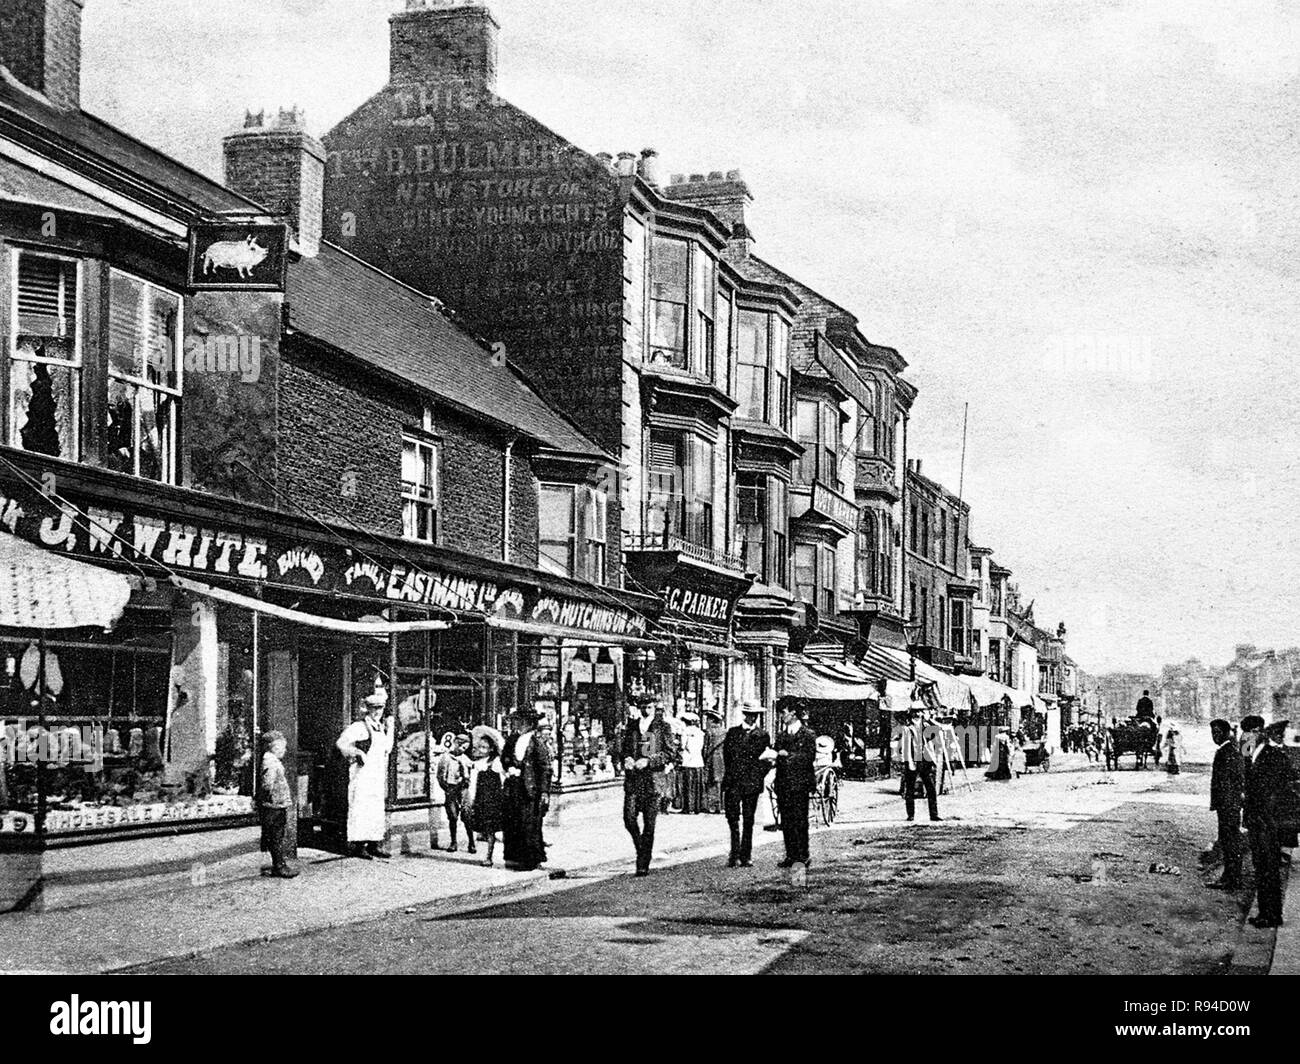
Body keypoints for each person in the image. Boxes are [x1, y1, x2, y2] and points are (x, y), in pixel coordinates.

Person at [1244, 720, 1296, 928]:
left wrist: (1266, 817)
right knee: (1261, 868)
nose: (1247, 735)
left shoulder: (1273, 756)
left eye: (1252, 731)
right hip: (1258, 821)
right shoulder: (1253, 753)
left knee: (1268, 869)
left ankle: (1271, 914)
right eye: (1246, 731)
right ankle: (1266, 912)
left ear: (1261, 733)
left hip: (1267, 823)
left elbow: (1275, 792)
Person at [620, 700, 677, 875]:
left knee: (649, 824)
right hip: (634, 780)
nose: (646, 710)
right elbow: (624, 749)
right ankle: (642, 850)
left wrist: (649, 761)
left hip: (653, 781)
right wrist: (627, 758)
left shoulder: (662, 727)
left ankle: (643, 863)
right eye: (643, 707)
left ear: (654, 708)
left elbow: (670, 753)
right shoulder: (633, 726)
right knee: (629, 818)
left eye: (649, 707)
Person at [336, 691, 394, 860]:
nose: (377, 712)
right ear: (367, 709)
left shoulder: (381, 727)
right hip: (362, 775)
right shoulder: (359, 727)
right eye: (373, 708)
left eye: (380, 708)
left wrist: (391, 728)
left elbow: (387, 748)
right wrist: (356, 752)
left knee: (376, 809)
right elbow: (341, 743)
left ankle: (374, 844)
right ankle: (359, 846)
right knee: (362, 808)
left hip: (377, 775)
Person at [722, 703, 772, 868]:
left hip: (752, 783)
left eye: (756, 714)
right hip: (734, 782)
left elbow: (767, 760)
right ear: (745, 714)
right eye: (751, 714)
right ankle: (734, 853)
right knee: (733, 818)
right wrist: (731, 774)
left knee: (748, 819)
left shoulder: (763, 735)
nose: (753, 717)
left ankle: (746, 855)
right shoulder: (733, 733)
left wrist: (758, 775)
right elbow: (727, 756)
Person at [501, 709, 549, 871]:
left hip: (530, 788)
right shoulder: (512, 740)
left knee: (528, 823)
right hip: (513, 786)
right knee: (512, 821)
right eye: (516, 721)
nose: (517, 724)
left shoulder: (536, 742)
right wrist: (509, 767)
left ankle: (530, 860)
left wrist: (544, 791)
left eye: (520, 721)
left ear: (528, 724)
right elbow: (504, 757)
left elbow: (544, 768)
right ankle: (513, 858)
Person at [774, 704, 817, 868]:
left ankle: (803, 855)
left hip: (800, 784)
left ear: (793, 713)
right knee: (786, 820)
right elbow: (777, 754)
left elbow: (809, 757)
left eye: (783, 712)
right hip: (783, 783)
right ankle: (791, 855)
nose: (781, 716)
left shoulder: (808, 734)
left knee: (800, 820)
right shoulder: (781, 735)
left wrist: (788, 756)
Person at [1207, 719, 1244, 891]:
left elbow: (1234, 780)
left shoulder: (1227, 752)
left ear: (1226, 733)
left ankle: (1232, 878)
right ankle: (1230, 877)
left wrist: (1226, 802)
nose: (1215, 736)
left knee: (1230, 841)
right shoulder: (1227, 750)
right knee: (1228, 841)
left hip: (1228, 804)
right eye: (1213, 733)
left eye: (1218, 733)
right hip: (1227, 804)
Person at [259, 731, 298, 879]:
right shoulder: (270, 762)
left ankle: (279, 864)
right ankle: (279, 866)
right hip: (274, 805)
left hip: (275, 804)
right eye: (282, 747)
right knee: (276, 836)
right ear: (275, 747)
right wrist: (272, 798)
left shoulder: (271, 760)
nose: (285, 750)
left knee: (276, 836)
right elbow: (267, 784)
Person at [468, 727, 505, 867]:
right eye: (479, 747)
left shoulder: (496, 763)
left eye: (484, 747)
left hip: (494, 800)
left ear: (491, 749)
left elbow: (504, 780)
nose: (481, 750)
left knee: (491, 830)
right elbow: (473, 784)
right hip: (481, 800)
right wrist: (471, 800)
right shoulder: (478, 764)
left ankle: (489, 856)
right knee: (484, 828)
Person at [436, 732, 476, 854]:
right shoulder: (446, 758)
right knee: (452, 816)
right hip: (451, 790)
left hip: (463, 790)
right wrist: (447, 789)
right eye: (462, 747)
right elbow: (440, 776)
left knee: (467, 816)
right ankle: (453, 842)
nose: (464, 750)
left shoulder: (465, 758)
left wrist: (466, 779)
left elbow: (472, 769)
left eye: (466, 748)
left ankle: (471, 842)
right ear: (457, 744)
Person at [899, 707, 941, 820]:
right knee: (910, 788)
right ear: (911, 713)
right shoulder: (907, 728)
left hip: (925, 760)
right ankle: (910, 815)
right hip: (913, 760)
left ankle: (934, 815)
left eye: (919, 711)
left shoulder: (926, 726)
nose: (917, 714)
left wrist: (930, 719)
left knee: (931, 788)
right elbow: (906, 747)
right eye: (915, 712)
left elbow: (938, 730)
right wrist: (908, 762)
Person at [679, 712, 706, 814]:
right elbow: (701, 746)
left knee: (687, 785)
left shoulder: (685, 731)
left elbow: (682, 745)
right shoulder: (700, 732)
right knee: (697, 786)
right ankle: (697, 807)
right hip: (698, 761)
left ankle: (687, 807)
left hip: (687, 761)